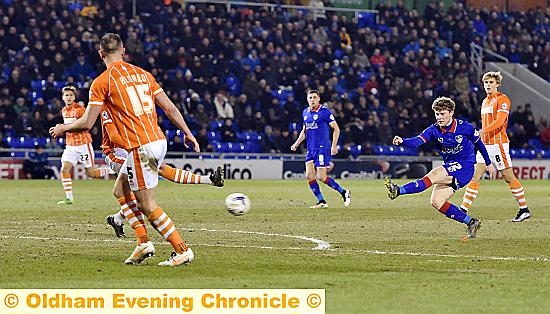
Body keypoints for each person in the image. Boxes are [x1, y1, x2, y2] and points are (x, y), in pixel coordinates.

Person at [50, 33, 197, 267]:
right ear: (123, 50)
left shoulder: (101, 82)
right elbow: (169, 108)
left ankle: (182, 249)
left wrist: (63, 127)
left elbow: (88, 122)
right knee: (120, 190)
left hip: (139, 146)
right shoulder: (144, 74)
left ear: (100, 54)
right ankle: (142, 243)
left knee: (147, 204)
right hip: (158, 141)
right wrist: (188, 133)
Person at [100, 108, 224, 239]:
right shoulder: (107, 109)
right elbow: (114, 137)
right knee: (145, 190)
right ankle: (145, 240)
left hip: (133, 149)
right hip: (115, 153)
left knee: (156, 176)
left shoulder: (128, 103)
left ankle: (118, 220)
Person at [384, 96, 496, 239]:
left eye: (442, 113)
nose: (439, 117)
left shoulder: (464, 127)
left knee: (435, 174)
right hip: (451, 167)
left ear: (451, 113)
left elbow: (479, 144)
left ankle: (398, 190)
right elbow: (417, 141)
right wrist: (402, 141)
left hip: (465, 167)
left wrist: (488, 163)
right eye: (437, 114)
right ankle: (471, 222)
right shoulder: (434, 130)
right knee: (437, 202)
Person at [459, 71, 532, 222]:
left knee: (508, 176)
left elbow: (499, 122)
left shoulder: (503, 99)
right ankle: (463, 209)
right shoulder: (485, 101)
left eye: (491, 82)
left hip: (498, 144)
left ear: (497, 84)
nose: (488, 85)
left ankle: (524, 209)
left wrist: (482, 131)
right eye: (486, 83)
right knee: (475, 176)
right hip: (485, 145)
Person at [290, 89, 351, 208]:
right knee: (309, 175)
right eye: (310, 98)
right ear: (307, 100)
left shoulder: (324, 112)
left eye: (314, 97)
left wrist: (334, 145)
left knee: (321, 177)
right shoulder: (305, 113)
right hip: (311, 149)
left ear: (318, 99)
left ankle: (344, 192)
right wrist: (296, 143)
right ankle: (322, 201)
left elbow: (336, 129)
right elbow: (304, 131)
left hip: (323, 148)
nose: (312, 100)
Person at [57, 85, 111, 205]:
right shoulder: (64, 111)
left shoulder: (80, 109)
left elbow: (85, 125)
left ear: (74, 97)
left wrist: (64, 129)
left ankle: (114, 170)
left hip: (83, 145)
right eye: (66, 95)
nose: (69, 97)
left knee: (91, 174)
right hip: (70, 146)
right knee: (64, 170)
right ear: (63, 98)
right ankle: (69, 198)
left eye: (71, 95)